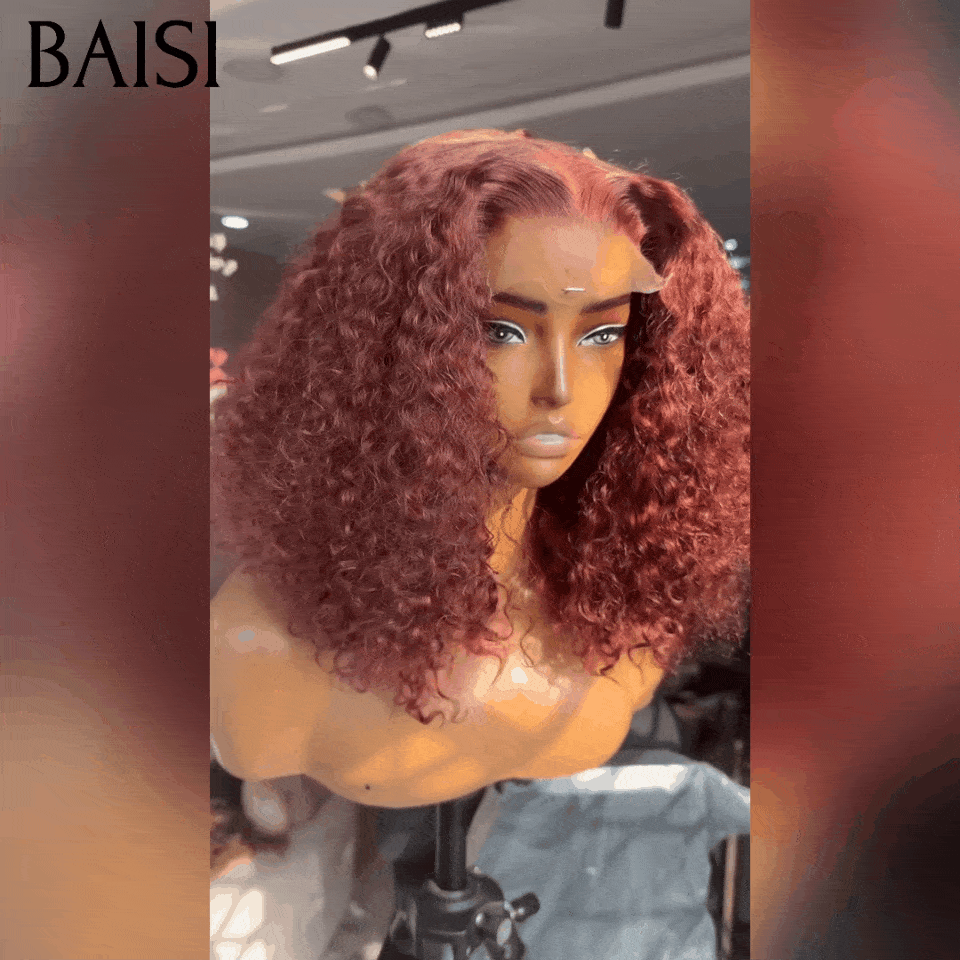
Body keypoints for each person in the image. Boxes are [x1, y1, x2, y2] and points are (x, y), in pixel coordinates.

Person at [210, 127, 748, 819]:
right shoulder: (262, 646)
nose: (559, 388)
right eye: (502, 331)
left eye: (602, 333)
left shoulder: (625, 598)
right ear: (389, 352)